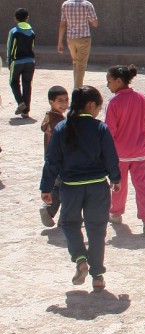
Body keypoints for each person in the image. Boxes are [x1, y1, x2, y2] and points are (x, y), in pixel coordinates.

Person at [40, 85, 121, 292]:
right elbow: (111, 156)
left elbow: (52, 161)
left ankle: (80, 259)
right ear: (91, 105)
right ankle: (98, 276)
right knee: (97, 230)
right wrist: (116, 178)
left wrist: (46, 187)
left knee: (70, 224)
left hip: (71, 188)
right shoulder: (100, 128)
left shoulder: (61, 128)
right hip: (97, 187)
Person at [105, 65, 145, 235]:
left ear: (118, 81)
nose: (108, 85)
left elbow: (109, 131)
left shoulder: (113, 103)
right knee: (142, 185)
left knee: (118, 184)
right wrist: (143, 133)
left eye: (109, 81)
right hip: (140, 152)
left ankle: (115, 213)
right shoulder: (140, 98)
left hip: (119, 153)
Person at [39, 84, 70, 227]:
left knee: (57, 188)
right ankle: (65, 218)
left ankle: (49, 211)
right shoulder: (59, 121)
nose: (64, 104)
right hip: (61, 160)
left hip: (53, 160)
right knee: (67, 189)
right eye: (60, 101)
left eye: (66, 100)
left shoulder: (49, 117)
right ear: (51, 102)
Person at [57, 0, 98, 89]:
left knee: (75, 63)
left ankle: (77, 86)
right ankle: (77, 91)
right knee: (81, 66)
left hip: (70, 38)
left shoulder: (65, 4)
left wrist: (60, 41)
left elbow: (62, 24)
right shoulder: (87, 4)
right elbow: (95, 23)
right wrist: (88, 19)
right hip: (84, 37)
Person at [7, 8, 35, 117]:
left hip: (17, 61)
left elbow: (10, 47)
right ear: (27, 18)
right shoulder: (32, 32)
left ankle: (20, 102)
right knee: (27, 84)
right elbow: (32, 47)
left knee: (13, 82)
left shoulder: (14, 31)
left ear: (15, 19)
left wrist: (9, 61)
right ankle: (26, 111)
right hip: (30, 61)